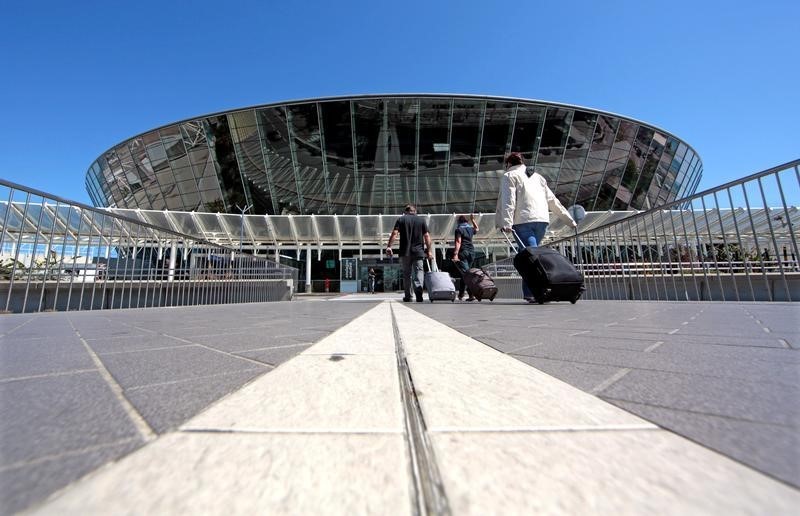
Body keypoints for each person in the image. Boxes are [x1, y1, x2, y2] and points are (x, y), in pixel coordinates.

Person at [496, 152, 577, 302]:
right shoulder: (538, 177)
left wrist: (507, 222)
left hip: (522, 221)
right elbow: (553, 201)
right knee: (531, 256)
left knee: (530, 259)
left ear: (508, 164)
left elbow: (509, 200)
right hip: (541, 220)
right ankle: (532, 291)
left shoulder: (509, 176)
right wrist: (569, 220)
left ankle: (535, 292)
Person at [385, 204, 433, 302]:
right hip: (419, 252)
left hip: (405, 252)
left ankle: (408, 296)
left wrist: (389, 246)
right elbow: (427, 236)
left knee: (407, 274)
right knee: (419, 272)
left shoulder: (401, 219)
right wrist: (429, 251)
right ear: (415, 211)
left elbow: (394, 233)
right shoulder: (421, 220)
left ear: (406, 211)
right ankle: (419, 295)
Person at [452, 214, 479, 301]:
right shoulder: (470, 228)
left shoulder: (459, 229)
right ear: (466, 222)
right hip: (471, 252)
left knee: (466, 274)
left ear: (459, 222)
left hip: (463, 252)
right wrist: (473, 220)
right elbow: (477, 229)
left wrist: (455, 253)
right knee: (464, 273)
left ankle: (472, 294)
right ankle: (461, 294)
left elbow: (458, 241)